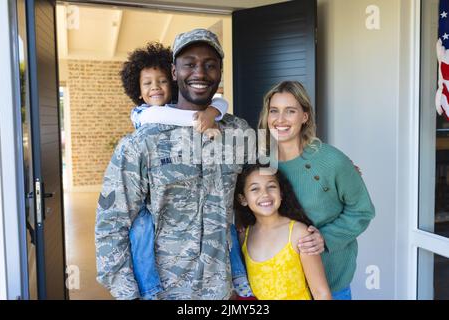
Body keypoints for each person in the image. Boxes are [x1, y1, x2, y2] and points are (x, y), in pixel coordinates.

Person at [95, 29, 252, 300]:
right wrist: (128, 294)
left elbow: (273, 183)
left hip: (221, 290)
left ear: (220, 72)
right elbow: (111, 225)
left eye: (210, 65)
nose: (200, 73)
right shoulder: (141, 143)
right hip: (163, 291)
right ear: (174, 71)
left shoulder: (237, 132)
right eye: (189, 64)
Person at [258, 81, 375, 300]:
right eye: (274, 111)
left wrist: (325, 237)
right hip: (279, 288)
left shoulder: (332, 161)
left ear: (305, 116)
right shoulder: (260, 163)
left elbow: (362, 211)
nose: (280, 119)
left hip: (330, 286)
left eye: (290, 111)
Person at [234, 163, 332, 300]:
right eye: (255, 189)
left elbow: (321, 293)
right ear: (243, 199)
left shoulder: (299, 233)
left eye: (271, 186)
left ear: (281, 193)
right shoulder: (244, 237)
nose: (265, 194)